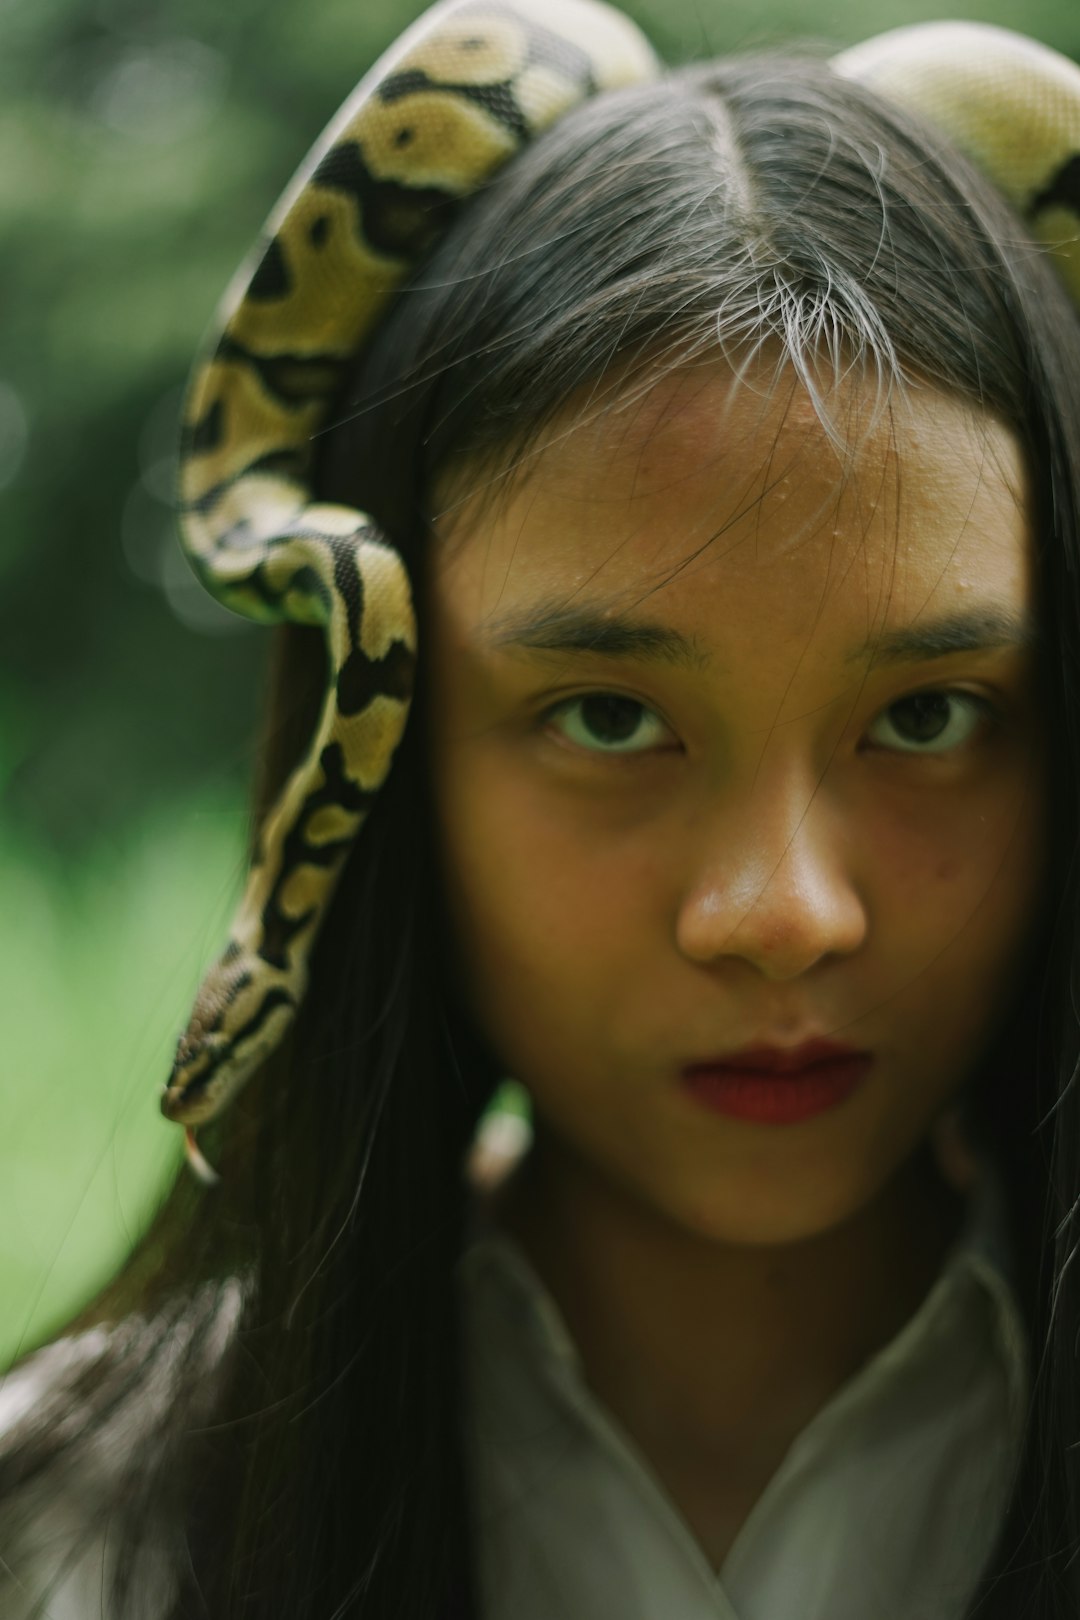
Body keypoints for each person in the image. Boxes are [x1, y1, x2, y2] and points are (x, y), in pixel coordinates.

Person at [2, 2, 1080, 1616]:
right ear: (382, 757)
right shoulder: (76, 1532)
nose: (780, 913)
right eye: (610, 716)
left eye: (927, 717)